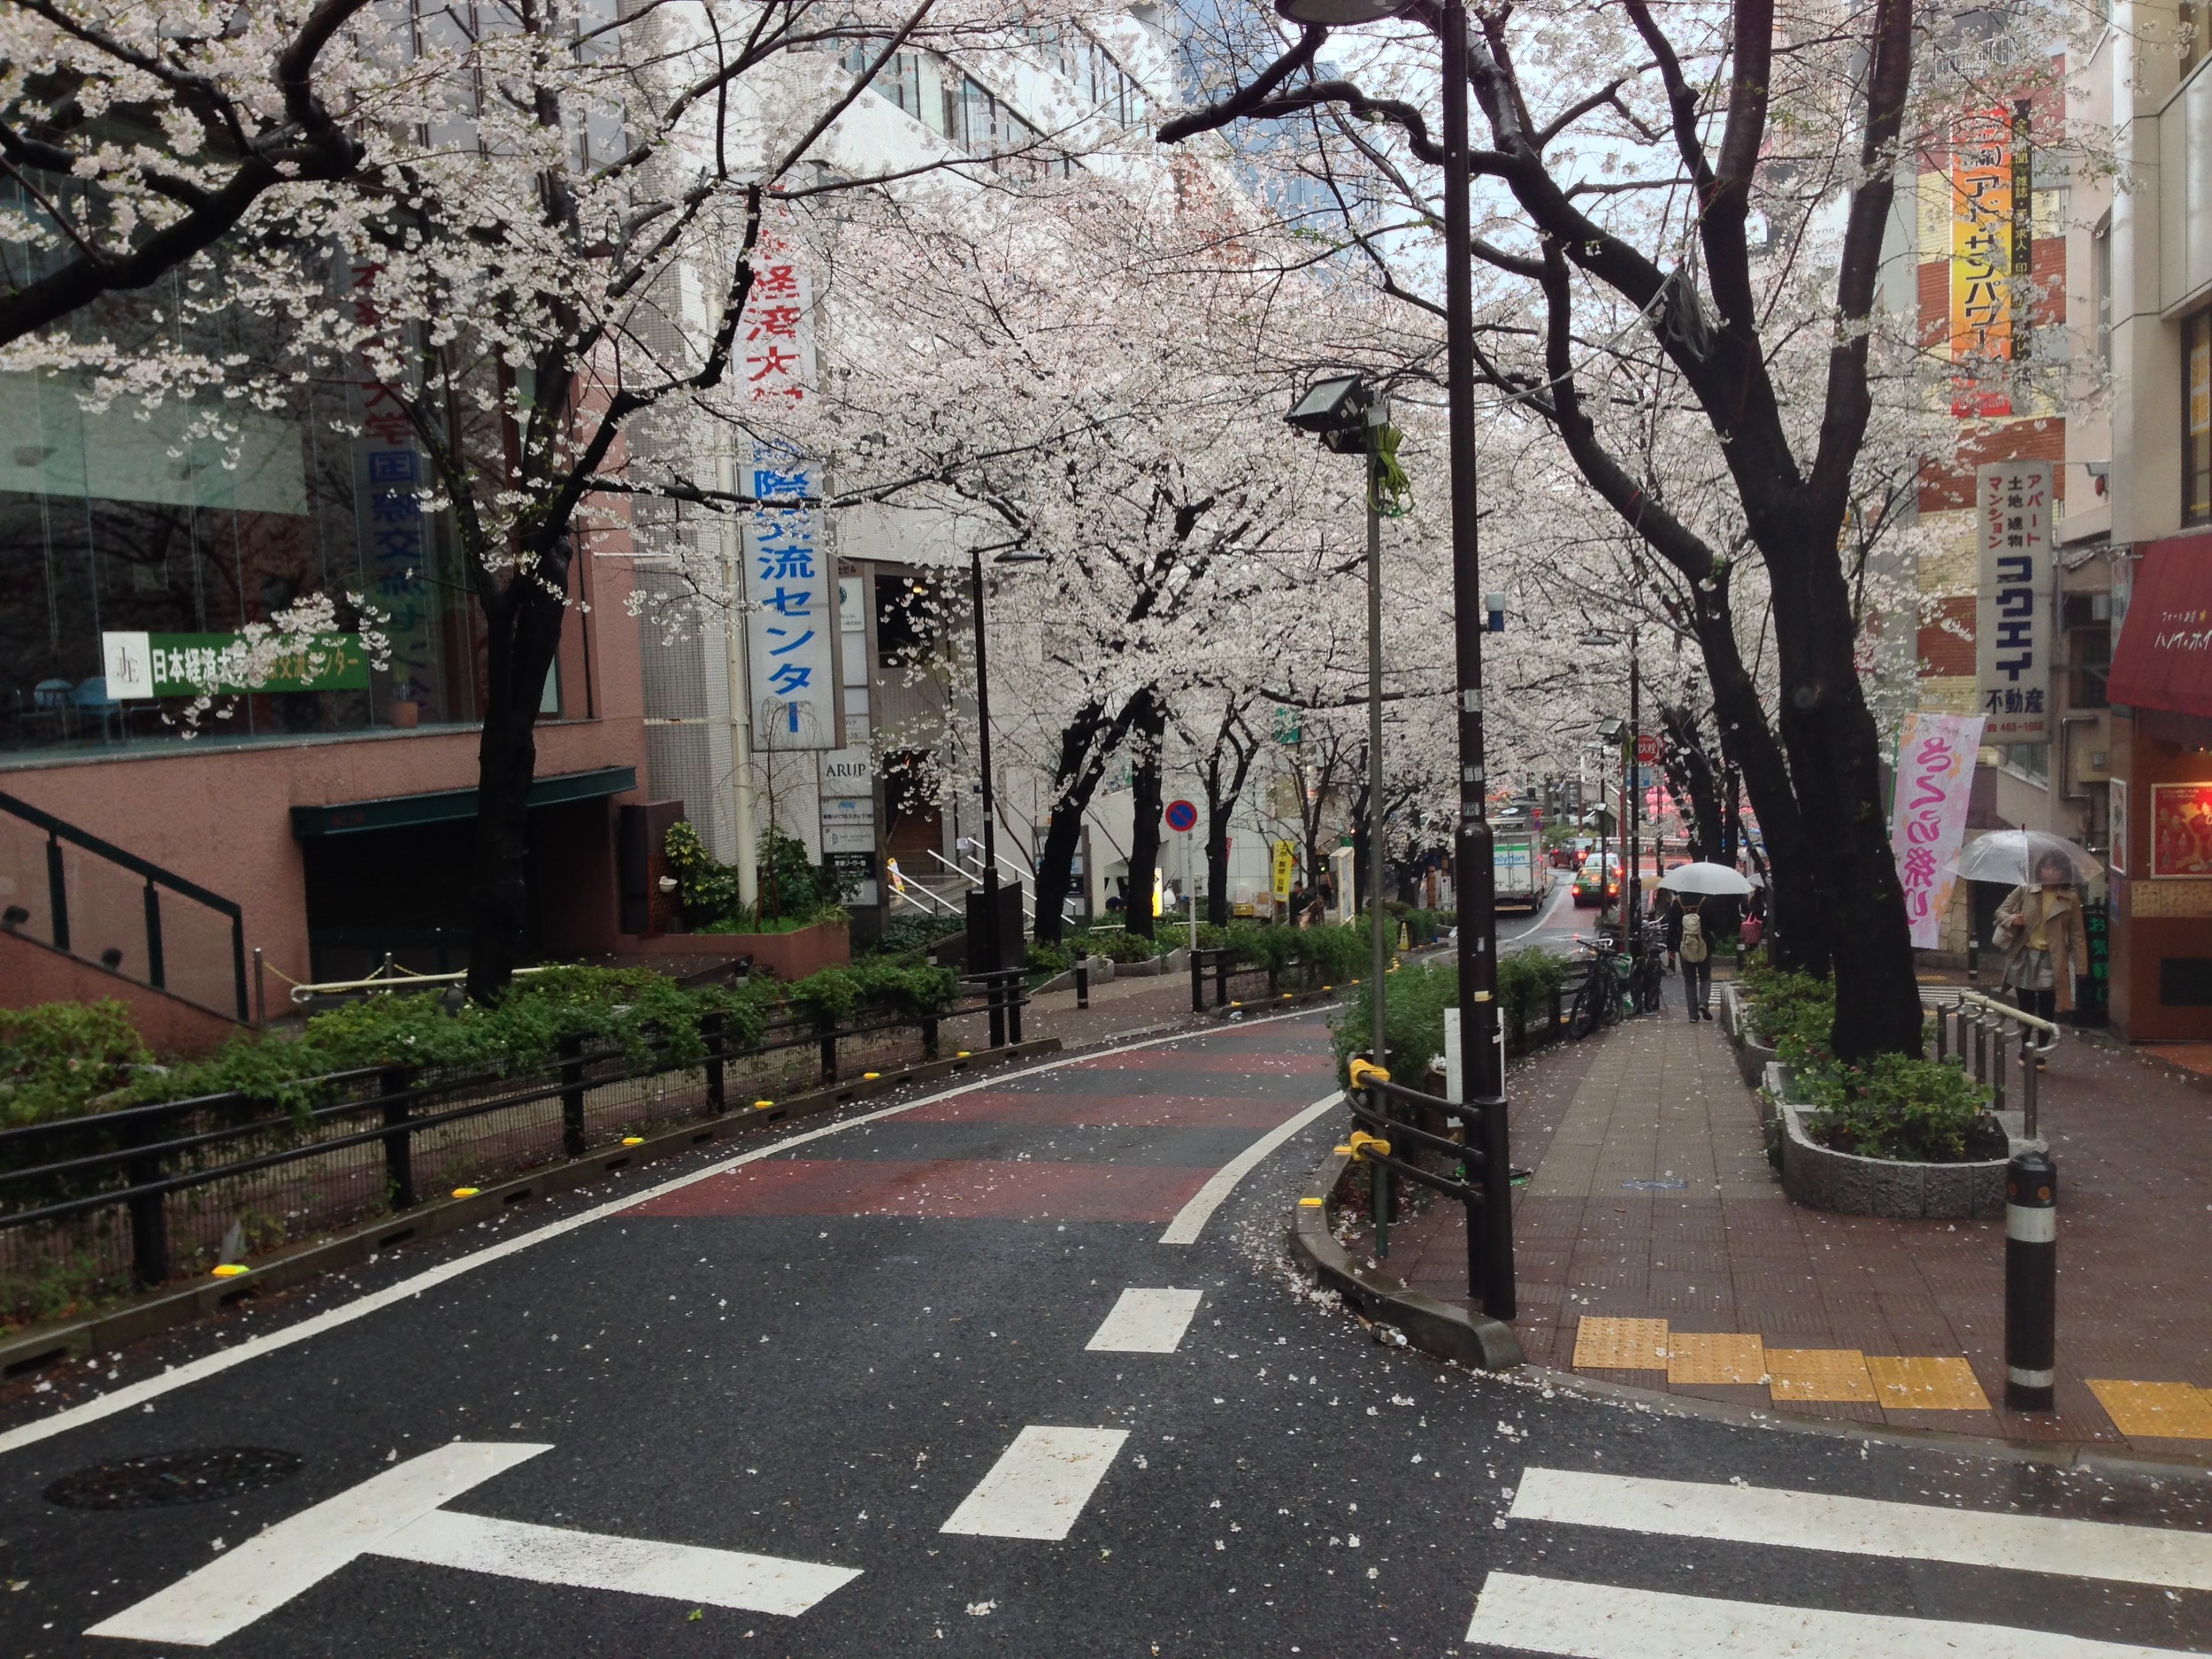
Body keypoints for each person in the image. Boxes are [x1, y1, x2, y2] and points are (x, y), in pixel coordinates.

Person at [1994, 850, 2085, 1028]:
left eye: (2055, 869)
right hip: (2025, 955)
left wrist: (2081, 966)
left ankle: (2041, 1050)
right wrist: (2012, 919)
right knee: (2025, 1007)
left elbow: (2077, 934)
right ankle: (2025, 1046)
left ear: (2064, 872)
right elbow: (2000, 911)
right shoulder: (2026, 889)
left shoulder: (2070, 897)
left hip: (2052, 959)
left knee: (2047, 1008)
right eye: (2046, 867)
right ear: (2040, 869)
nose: (2050, 873)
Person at [1678, 895, 1713, 1019]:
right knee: (1705, 977)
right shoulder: (1707, 902)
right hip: (1704, 946)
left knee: (1689, 981)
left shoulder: (1678, 902)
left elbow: (1671, 925)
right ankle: (1703, 1002)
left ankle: (1693, 1015)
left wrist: (1671, 947)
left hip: (1685, 947)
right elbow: (1714, 924)